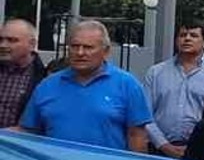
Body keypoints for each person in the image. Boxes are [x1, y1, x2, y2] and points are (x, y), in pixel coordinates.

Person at [19, 20, 151, 152]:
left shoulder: (127, 85)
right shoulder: (47, 85)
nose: (80, 53)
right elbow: (29, 130)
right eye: (74, 46)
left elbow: (137, 135)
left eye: (88, 47)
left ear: (106, 51)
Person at [143, 21, 204, 158]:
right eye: (182, 35)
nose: (187, 38)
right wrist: (164, 145)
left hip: (201, 151)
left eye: (193, 35)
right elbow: (145, 114)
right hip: (159, 150)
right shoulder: (156, 72)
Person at [0, 19, 45, 129]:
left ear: (32, 44)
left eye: (12, 40)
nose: (3, 45)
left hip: (15, 144)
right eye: (0, 39)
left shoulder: (45, 78)